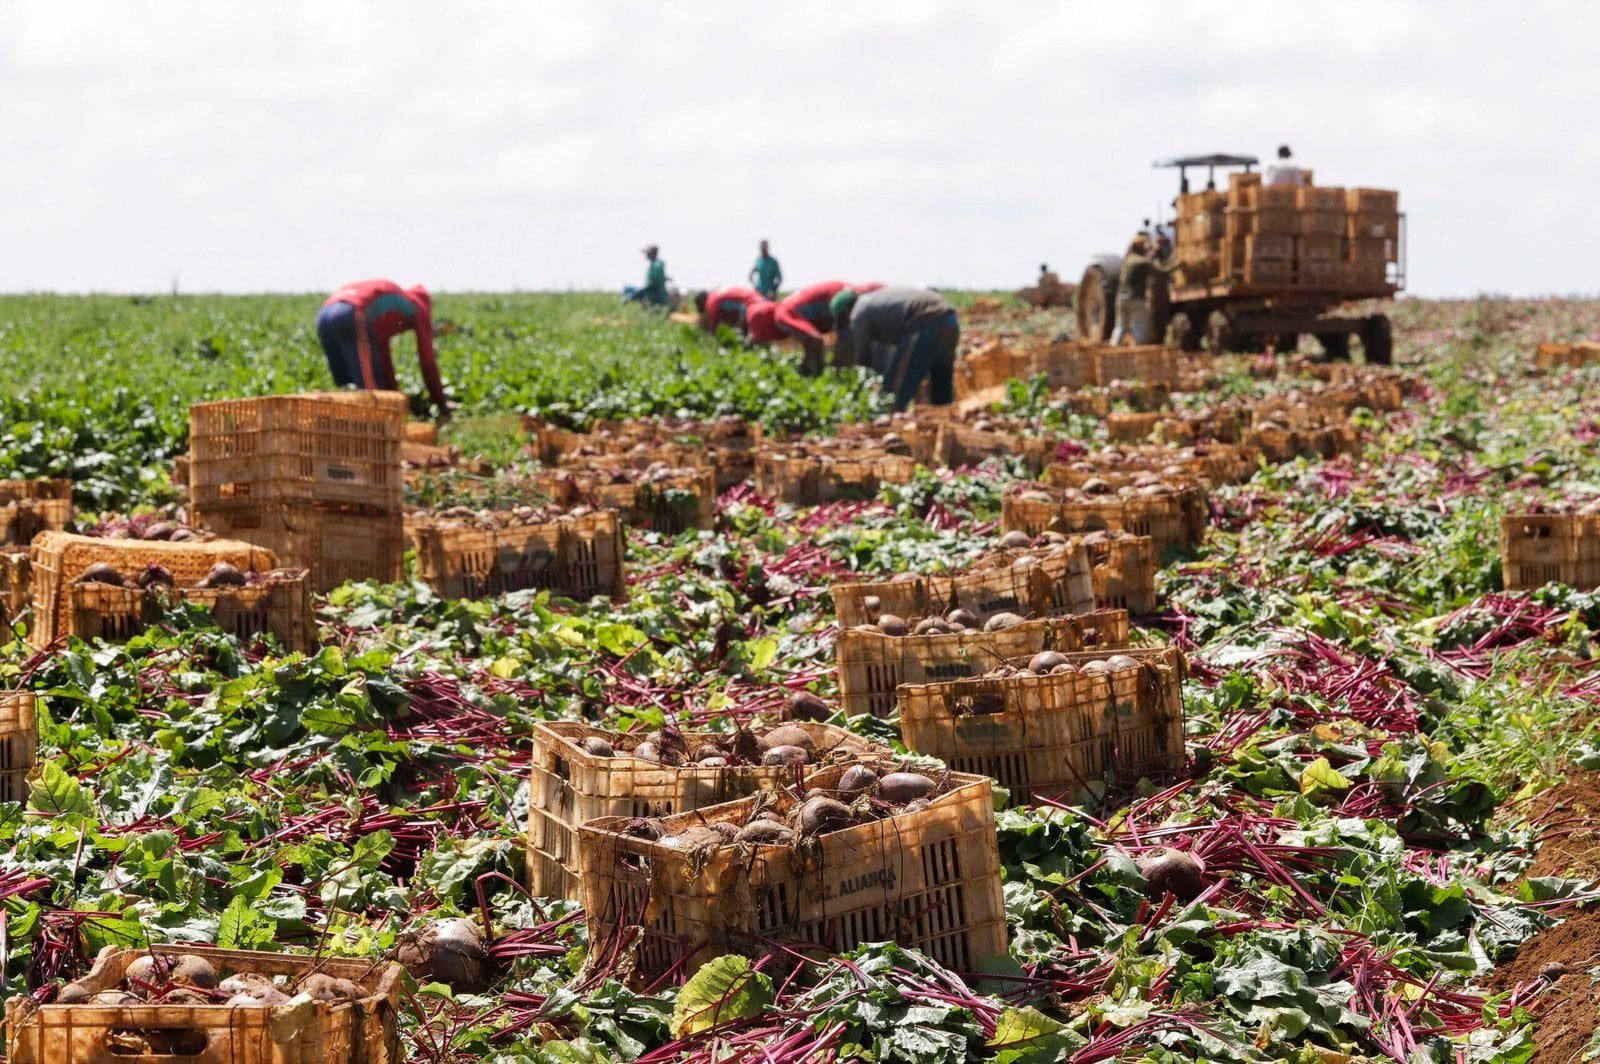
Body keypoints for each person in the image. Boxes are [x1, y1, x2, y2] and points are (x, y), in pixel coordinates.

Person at [317, 279, 451, 418]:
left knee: (345, 386)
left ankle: (345, 428)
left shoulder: (387, 311)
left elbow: (383, 361)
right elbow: (427, 360)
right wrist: (440, 402)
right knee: (370, 392)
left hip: (324, 314)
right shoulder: (419, 306)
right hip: (351, 311)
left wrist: (393, 396)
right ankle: (374, 430)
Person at [830, 286, 958, 412]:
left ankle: (886, 416)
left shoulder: (858, 313)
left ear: (846, 311)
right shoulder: (874, 301)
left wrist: (861, 391)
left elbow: (863, 359)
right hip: (950, 319)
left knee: (892, 393)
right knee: (941, 385)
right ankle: (945, 422)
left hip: (925, 321)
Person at [746, 280, 881, 375]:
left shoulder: (781, 316)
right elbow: (811, 342)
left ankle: (850, 378)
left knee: (846, 345)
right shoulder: (785, 307)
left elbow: (815, 340)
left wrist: (808, 368)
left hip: (842, 299)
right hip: (842, 292)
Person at [1113, 235, 1176, 345]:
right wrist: (1177, 264)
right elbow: (1162, 271)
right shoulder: (1143, 262)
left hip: (1121, 298)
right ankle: (1138, 350)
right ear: (1142, 248)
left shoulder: (1128, 260)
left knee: (1121, 326)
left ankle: (1114, 347)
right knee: (1140, 326)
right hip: (1136, 299)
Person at [694, 285, 764, 333]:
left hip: (756, 307)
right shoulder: (716, 297)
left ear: (703, 303)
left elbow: (743, 307)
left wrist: (739, 326)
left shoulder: (712, 303)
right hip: (759, 302)